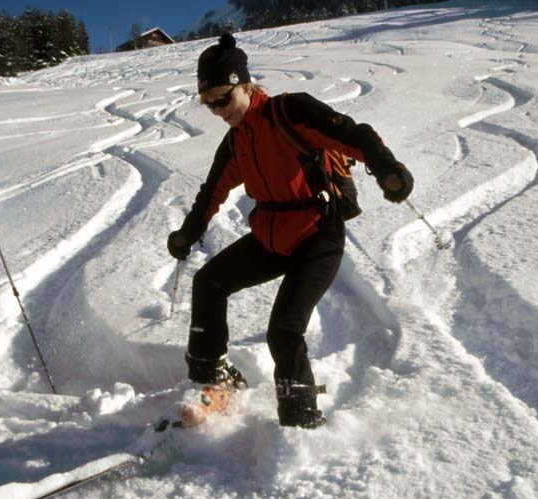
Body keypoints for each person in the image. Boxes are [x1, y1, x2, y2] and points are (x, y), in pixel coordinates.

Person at [167, 33, 414, 429]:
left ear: (245, 86)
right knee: (209, 282)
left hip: (318, 233)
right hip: (272, 235)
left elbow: (355, 135)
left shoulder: (290, 112)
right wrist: (188, 232)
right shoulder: (236, 141)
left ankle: (301, 423)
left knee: (283, 330)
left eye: (222, 98)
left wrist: (388, 169)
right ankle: (213, 380)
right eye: (207, 102)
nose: (216, 110)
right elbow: (211, 192)